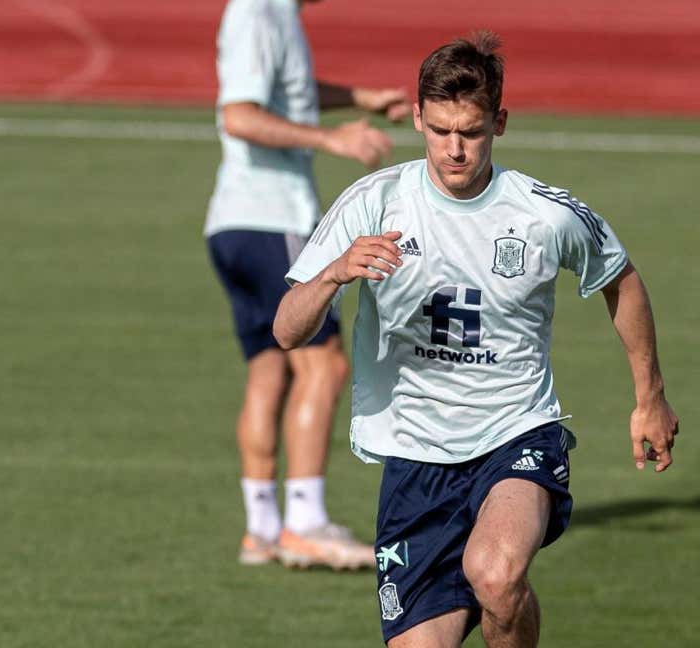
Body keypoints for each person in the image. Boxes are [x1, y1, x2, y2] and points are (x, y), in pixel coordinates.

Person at [274, 31, 679, 647]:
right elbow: (286, 330)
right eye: (439, 131)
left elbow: (619, 278)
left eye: (472, 131)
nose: (454, 149)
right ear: (416, 117)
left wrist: (649, 395)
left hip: (513, 432)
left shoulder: (544, 213)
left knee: (495, 575)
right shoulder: (372, 202)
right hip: (414, 458)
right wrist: (334, 272)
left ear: (500, 122)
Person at [205, 0, 410, 570]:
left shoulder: (273, 13)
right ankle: (306, 521)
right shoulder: (257, 13)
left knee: (270, 368)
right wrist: (332, 140)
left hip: (235, 223)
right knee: (325, 364)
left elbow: (283, 94)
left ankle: (263, 527)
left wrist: (358, 97)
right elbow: (240, 115)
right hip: (273, 218)